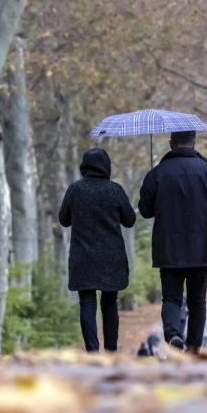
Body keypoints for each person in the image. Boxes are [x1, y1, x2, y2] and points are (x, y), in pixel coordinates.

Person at [138, 130, 207, 354]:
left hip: (168, 248)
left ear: (171, 143)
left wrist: (150, 185)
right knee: (197, 301)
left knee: (171, 297)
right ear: (194, 143)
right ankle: (193, 348)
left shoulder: (157, 173)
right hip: (200, 248)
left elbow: (145, 210)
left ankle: (173, 334)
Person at [59, 148, 136, 352]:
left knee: (87, 302)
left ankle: (92, 352)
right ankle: (111, 351)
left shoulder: (75, 190)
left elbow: (64, 220)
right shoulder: (115, 190)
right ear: (106, 166)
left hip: (83, 256)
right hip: (111, 257)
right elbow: (130, 220)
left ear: (84, 166)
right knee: (110, 303)